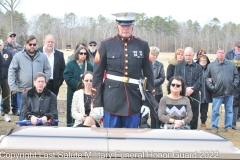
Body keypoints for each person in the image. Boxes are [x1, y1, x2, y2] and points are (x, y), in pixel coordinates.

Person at [92, 12, 154, 128]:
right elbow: (97, 75)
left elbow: (149, 75)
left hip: (134, 100)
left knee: (131, 140)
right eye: (122, 25)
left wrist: (147, 102)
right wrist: (97, 103)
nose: (125, 28)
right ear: (117, 25)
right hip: (111, 100)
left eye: (128, 25)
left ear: (133, 26)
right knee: (110, 139)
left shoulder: (142, 45)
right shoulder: (106, 45)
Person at [8, 35, 51, 120]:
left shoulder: (43, 57)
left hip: (38, 91)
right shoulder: (18, 56)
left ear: (37, 45)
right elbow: (12, 71)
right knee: (24, 114)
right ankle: (23, 131)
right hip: (22, 91)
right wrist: (12, 86)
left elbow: (48, 70)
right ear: (26, 44)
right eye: (30, 44)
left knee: (38, 114)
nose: (32, 46)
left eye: (34, 44)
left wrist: (43, 82)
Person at [205, 48, 239, 133]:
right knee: (215, 111)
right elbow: (206, 78)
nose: (221, 54)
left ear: (225, 54)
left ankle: (228, 127)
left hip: (229, 92)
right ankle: (214, 126)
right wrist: (213, 87)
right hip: (217, 92)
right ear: (216, 54)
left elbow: (236, 76)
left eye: (222, 53)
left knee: (229, 110)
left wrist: (233, 86)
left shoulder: (231, 65)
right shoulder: (211, 65)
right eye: (219, 53)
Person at [63, 46, 93, 127]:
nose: (83, 55)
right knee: (73, 109)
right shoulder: (70, 64)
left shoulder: (89, 66)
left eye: (85, 53)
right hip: (73, 91)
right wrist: (80, 85)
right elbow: (67, 77)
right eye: (81, 53)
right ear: (77, 54)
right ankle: (72, 126)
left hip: (87, 92)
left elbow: (93, 77)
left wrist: (87, 86)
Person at [174, 47, 202, 130]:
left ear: (193, 55)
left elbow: (200, 81)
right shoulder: (178, 66)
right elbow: (176, 79)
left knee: (194, 114)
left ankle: (193, 132)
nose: (187, 57)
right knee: (181, 114)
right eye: (186, 55)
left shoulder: (198, 67)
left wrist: (192, 89)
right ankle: (182, 131)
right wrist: (185, 88)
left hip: (195, 95)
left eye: (189, 55)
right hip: (182, 94)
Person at [4, 32, 23, 116]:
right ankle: (4, 109)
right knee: (6, 92)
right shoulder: (3, 46)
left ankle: (15, 109)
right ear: (7, 38)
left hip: (17, 73)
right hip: (6, 72)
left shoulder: (19, 47)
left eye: (14, 36)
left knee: (15, 91)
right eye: (11, 36)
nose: (12, 38)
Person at [149, 46, 165, 128]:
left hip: (157, 92)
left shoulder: (160, 65)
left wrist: (151, 83)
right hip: (144, 91)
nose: (153, 56)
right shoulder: (143, 64)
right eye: (152, 54)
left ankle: (154, 129)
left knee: (155, 113)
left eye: (155, 55)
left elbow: (162, 78)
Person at [196, 54, 212, 130]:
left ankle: (203, 123)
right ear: (199, 61)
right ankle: (195, 123)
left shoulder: (209, 68)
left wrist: (212, 79)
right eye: (202, 60)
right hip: (197, 92)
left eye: (205, 60)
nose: (203, 61)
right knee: (195, 109)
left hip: (206, 93)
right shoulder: (195, 68)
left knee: (204, 110)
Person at [0, 39, 13, 122]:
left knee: (6, 96)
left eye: (0, 45)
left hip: (6, 78)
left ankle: (6, 113)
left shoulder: (8, 53)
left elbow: (12, 64)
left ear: (3, 45)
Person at [231, 55, 240, 130]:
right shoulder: (232, 69)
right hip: (233, 91)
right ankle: (231, 124)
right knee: (231, 108)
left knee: (235, 108)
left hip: (237, 91)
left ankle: (233, 124)